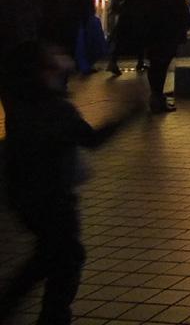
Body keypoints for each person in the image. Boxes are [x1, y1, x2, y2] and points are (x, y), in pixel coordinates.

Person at [0, 40, 144, 325]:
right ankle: (51, 316)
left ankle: (34, 311)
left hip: (24, 192)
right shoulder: (54, 109)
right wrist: (130, 113)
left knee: (50, 254)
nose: (65, 58)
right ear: (45, 69)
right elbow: (92, 140)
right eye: (56, 56)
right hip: (52, 195)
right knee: (66, 256)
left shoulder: (22, 100)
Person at [138, 0, 190, 113]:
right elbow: (178, 4)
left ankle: (156, 96)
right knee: (162, 62)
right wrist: (186, 21)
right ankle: (157, 97)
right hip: (167, 27)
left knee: (155, 62)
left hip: (151, 27)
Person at [106, 0, 147, 76]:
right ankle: (140, 61)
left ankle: (113, 61)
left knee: (122, 38)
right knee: (140, 37)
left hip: (126, 12)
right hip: (138, 12)